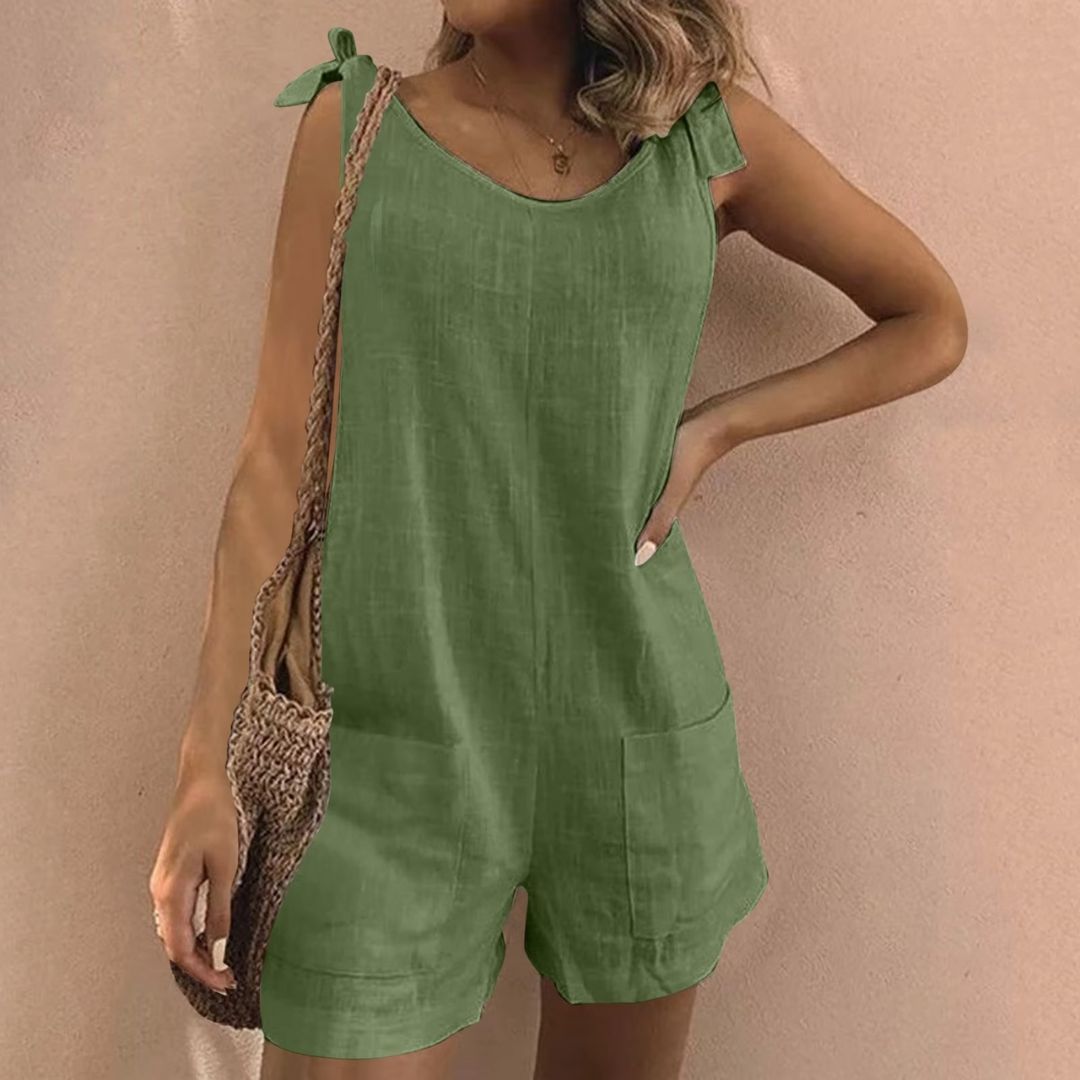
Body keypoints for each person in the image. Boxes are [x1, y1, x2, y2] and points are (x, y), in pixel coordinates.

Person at [149, 3, 968, 1077]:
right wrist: (204, 768)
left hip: (634, 730)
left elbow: (928, 318)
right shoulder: (353, 129)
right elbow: (273, 464)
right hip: (384, 757)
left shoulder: (702, 138)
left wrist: (718, 427)